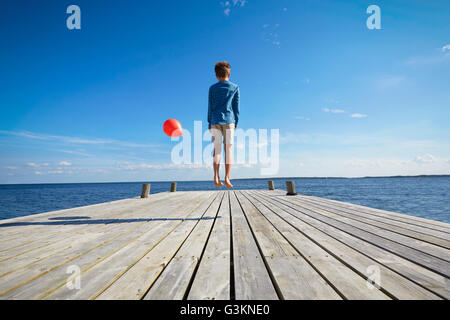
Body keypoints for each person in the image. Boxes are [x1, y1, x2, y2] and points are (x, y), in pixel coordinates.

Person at [207, 61, 240, 188]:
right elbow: (236, 107)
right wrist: (236, 122)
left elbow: (209, 107)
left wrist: (209, 123)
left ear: (216, 75)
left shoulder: (212, 88)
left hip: (215, 121)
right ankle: (227, 177)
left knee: (217, 150)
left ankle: (216, 176)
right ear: (229, 74)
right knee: (229, 149)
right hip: (229, 120)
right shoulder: (235, 87)